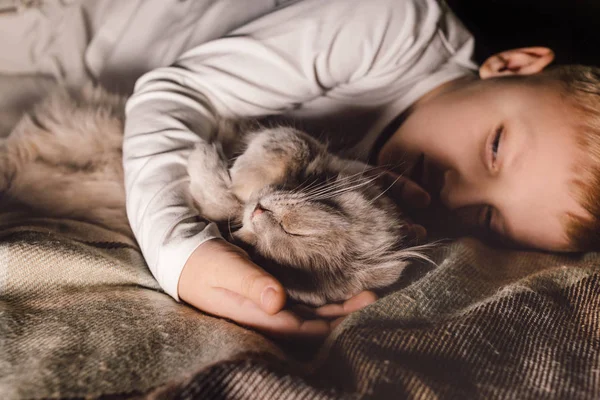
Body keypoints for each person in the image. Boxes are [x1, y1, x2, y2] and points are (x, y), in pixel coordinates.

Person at [2, 0, 598, 337]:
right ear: (514, 64)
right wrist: (179, 255)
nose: (453, 184)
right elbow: (177, 91)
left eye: (486, 216)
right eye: (495, 147)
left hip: (91, 90)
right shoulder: (396, 27)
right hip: (106, 22)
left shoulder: (411, 212)